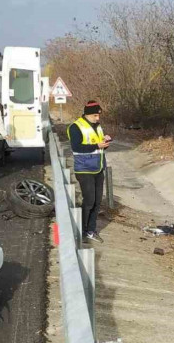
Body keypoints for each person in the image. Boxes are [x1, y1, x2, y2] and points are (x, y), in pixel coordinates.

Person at [68, 101, 111, 244]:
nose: (98, 118)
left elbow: (98, 147)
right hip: (84, 169)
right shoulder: (75, 127)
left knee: (97, 202)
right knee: (89, 201)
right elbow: (77, 148)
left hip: (98, 168)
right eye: (95, 115)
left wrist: (104, 143)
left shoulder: (97, 126)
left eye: (99, 115)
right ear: (87, 114)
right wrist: (96, 145)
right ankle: (82, 230)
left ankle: (91, 230)